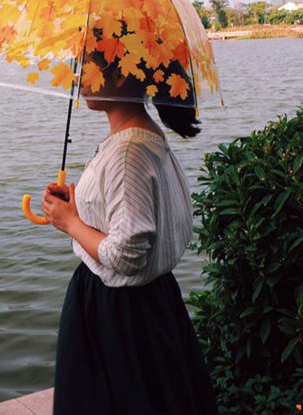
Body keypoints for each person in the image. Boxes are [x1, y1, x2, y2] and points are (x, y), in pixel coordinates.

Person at [41, 74, 219, 414]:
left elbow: (127, 255)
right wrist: (78, 212)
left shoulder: (128, 152)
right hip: (147, 304)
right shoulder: (138, 138)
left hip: (119, 316)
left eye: (91, 66)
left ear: (122, 75)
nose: (79, 77)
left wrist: (71, 223)